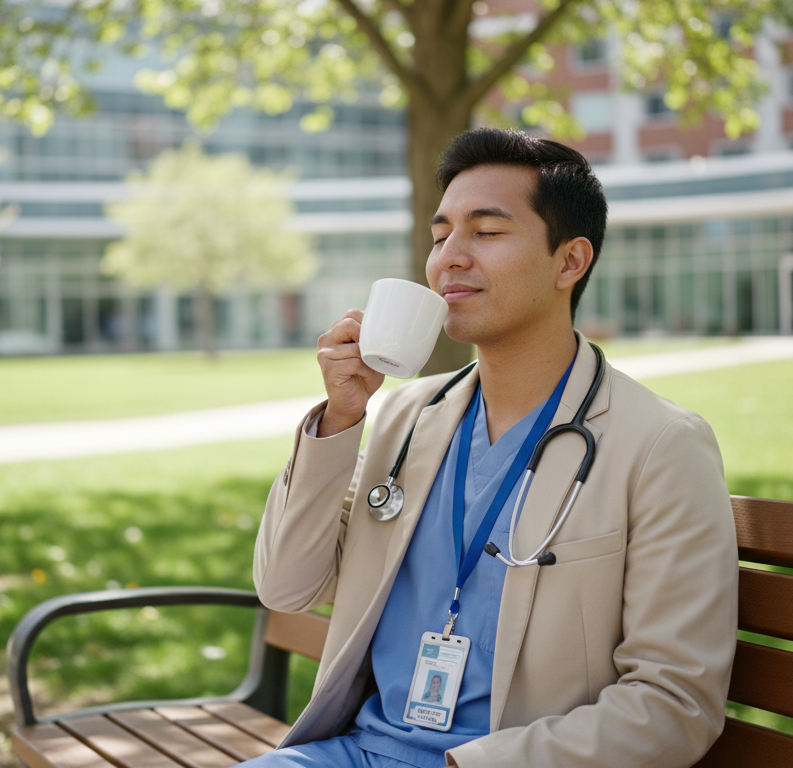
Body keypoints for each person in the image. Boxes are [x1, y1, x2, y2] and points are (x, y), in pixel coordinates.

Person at [248, 128, 738, 768]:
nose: (448, 256)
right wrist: (340, 421)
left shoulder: (660, 445)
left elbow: (674, 704)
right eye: (440, 234)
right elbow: (286, 588)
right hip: (355, 753)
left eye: (486, 231)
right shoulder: (402, 415)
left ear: (570, 261)